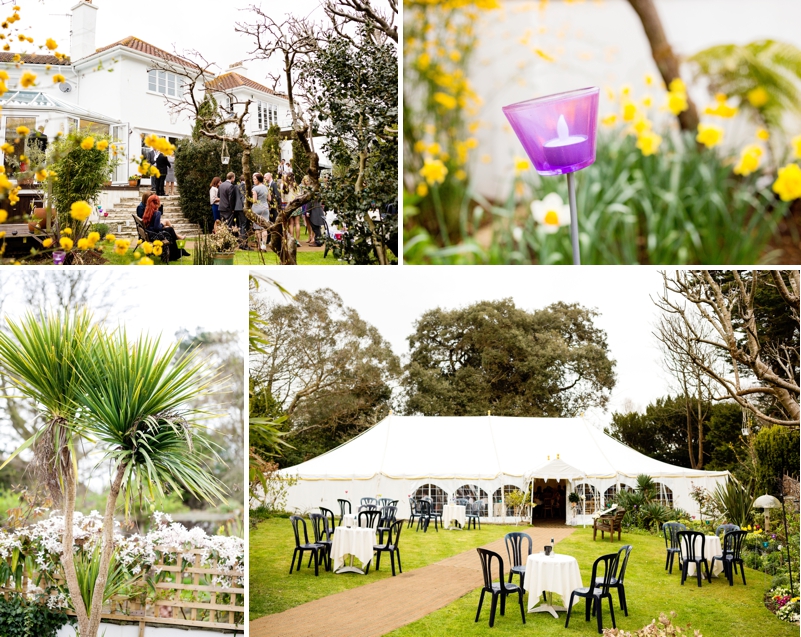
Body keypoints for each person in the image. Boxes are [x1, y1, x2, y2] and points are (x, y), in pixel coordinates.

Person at [141, 194, 190, 259]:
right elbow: (157, 228)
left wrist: (162, 225)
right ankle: (177, 253)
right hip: (155, 235)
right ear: (157, 203)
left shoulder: (147, 211)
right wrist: (162, 224)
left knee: (169, 229)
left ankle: (180, 250)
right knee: (170, 230)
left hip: (149, 234)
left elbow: (151, 226)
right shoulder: (157, 213)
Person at [251, 172, 270, 251]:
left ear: (258, 180)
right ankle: (264, 245)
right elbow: (270, 199)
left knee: (257, 228)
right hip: (265, 208)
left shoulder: (255, 189)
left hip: (257, 208)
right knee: (264, 228)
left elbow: (254, 200)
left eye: (255, 179)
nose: (253, 180)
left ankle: (259, 245)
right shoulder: (266, 187)